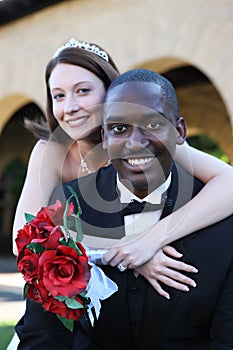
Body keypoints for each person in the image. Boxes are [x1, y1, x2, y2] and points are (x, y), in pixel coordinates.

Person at [13, 40, 233, 349]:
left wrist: (152, 239)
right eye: (58, 96)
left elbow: (229, 184)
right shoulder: (50, 154)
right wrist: (128, 255)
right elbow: (28, 243)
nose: (71, 106)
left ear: (110, 92)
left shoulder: (159, 140)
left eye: (83, 91)